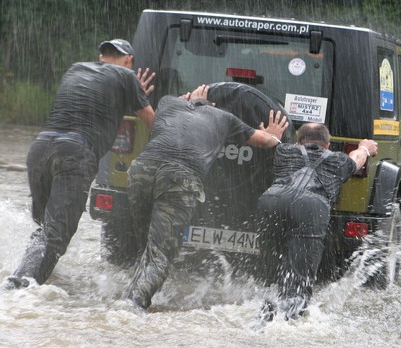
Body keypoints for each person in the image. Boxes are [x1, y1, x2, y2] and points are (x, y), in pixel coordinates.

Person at [4, 39, 155, 289]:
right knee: (54, 237)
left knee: (45, 229)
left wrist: (130, 96)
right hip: (74, 154)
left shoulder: (76, 69)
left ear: (100, 56)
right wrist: (138, 95)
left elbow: (93, 105)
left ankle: (24, 278)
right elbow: (151, 121)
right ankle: (17, 292)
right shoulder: (127, 77)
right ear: (129, 60)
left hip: (40, 148)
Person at [124, 85, 289, 310]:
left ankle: (136, 292)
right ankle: (131, 307)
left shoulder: (167, 102)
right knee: (160, 253)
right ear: (213, 105)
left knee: (147, 243)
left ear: (190, 99)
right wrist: (275, 135)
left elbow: (171, 107)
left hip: (141, 169)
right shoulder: (225, 117)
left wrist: (190, 98)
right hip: (179, 177)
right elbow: (265, 141)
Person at [257, 123, 378, 320]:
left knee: (270, 267)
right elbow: (356, 159)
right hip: (310, 206)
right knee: (299, 277)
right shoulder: (337, 160)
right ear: (328, 145)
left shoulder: (284, 151)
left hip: (272, 201)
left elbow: (269, 141)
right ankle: (288, 321)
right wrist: (364, 147)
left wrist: (270, 134)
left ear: (298, 142)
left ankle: (262, 312)